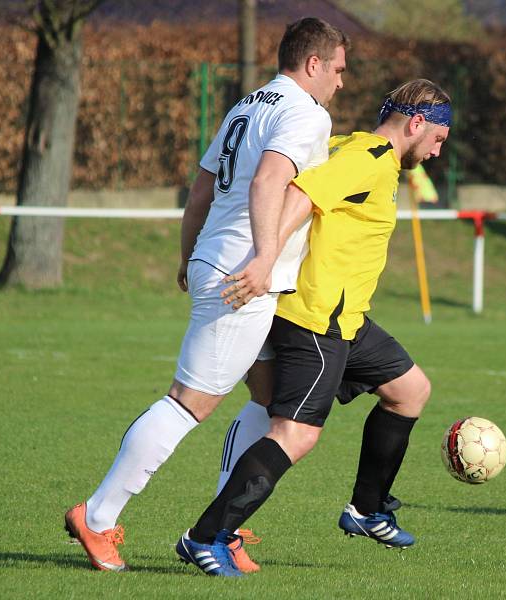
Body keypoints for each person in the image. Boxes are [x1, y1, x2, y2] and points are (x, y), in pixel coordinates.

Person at [64, 17, 349, 573]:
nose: (342, 81)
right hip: (243, 276)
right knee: (186, 404)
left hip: (219, 263)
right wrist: (262, 259)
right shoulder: (306, 113)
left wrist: (189, 255)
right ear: (313, 63)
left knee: (267, 400)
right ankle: (97, 518)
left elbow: (200, 188)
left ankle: (224, 526)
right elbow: (270, 182)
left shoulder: (248, 104)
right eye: (338, 69)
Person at [175, 78, 452, 577]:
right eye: (437, 139)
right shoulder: (363, 159)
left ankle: (367, 510)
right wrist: (263, 260)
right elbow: (301, 195)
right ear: (417, 124)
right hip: (315, 319)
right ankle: (203, 537)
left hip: (349, 318)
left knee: (410, 391)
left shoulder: (359, 149)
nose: (435, 152)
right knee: (295, 435)